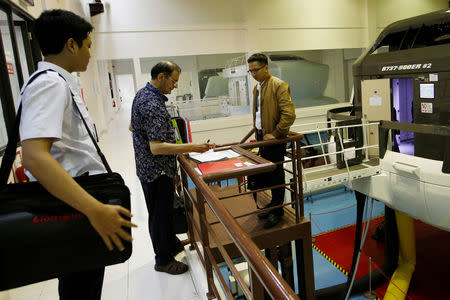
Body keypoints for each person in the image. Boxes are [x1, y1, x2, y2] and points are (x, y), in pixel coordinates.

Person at [20, 10, 136, 300]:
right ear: (71, 44)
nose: (89, 52)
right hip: (75, 205)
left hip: (78, 200)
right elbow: (35, 157)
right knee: (80, 288)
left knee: (83, 285)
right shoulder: (49, 84)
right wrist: (94, 210)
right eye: (87, 44)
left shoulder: (59, 82)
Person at [131, 61, 213, 275]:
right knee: (159, 215)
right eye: (174, 81)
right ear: (161, 77)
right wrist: (193, 147)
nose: (175, 86)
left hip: (151, 168)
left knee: (163, 212)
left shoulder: (143, 94)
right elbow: (156, 147)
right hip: (156, 170)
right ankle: (163, 260)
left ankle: (170, 243)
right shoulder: (152, 103)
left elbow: (133, 126)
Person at [246, 53, 296, 229]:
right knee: (267, 173)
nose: (253, 74)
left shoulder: (278, 85)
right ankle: (274, 205)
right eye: (250, 71)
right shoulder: (257, 88)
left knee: (276, 173)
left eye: (256, 70)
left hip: (274, 140)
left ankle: (278, 210)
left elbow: (289, 115)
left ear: (266, 67)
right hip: (262, 137)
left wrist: (276, 133)